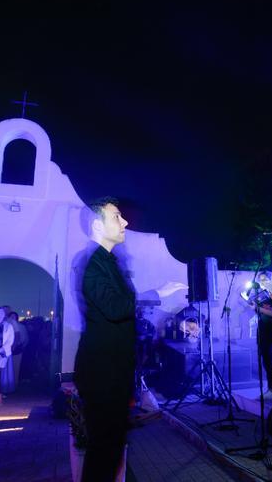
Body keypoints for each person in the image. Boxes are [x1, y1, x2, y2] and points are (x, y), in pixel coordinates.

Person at [74, 197, 185, 482]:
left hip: (114, 370)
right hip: (102, 372)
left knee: (111, 449)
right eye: (116, 217)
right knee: (103, 450)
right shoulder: (91, 264)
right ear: (97, 225)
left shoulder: (109, 262)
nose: (124, 222)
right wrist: (156, 293)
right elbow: (115, 307)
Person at [250, 271, 272, 401]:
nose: (263, 281)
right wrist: (253, 305)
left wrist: (257, 308)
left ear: (270, 280)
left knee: (268, 361)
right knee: (265, 361)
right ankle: (271, 388)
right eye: (261, 279)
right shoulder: (260, 295)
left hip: (270, 331)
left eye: (265, 279)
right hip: (262, 330)